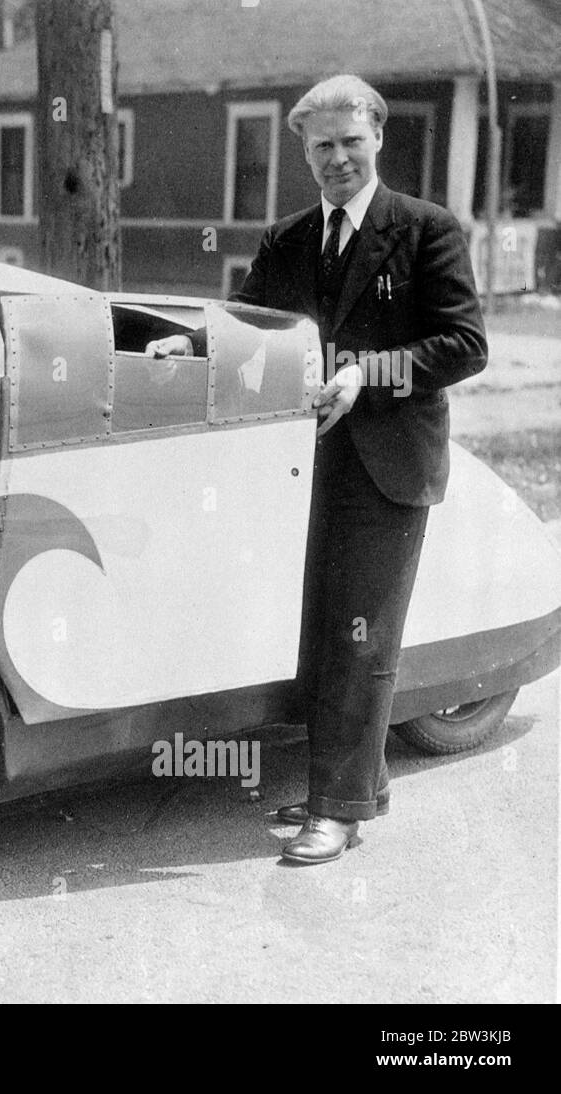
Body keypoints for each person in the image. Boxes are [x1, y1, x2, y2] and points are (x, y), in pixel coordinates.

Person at [146, 74, 487, 864]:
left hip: (391, 465)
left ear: (378, 137)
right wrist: (188, 342)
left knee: (362, 640)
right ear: (303, 151)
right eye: (321, 147)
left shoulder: (427, 229)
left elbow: (465, 345)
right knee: (322, 635)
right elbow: (251, 321)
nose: (337, 159)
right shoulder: (291, 237)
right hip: (307, 468)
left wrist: (367, 373)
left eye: (350, 142)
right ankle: (354, 785)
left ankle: (337, 811)